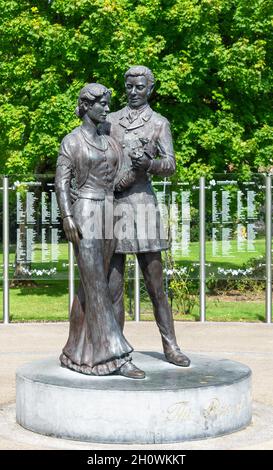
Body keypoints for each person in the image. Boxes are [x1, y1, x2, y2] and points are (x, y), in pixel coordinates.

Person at [103, 66, 191, 369]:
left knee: (156, 285)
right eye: (129, 86)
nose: (133, 91)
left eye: (140, 87)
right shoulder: (110, 121)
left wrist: (150, 163)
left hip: (143, 206)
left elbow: (170, 164)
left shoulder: (158, 123)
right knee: (113, 287)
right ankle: (117, 351)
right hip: (115, 207)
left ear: (150, 89)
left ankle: (171, 346)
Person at [55, 83, 145, 378]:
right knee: (95, 285)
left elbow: (119, 182)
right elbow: (61, 182)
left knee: (98, 286)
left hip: (111, 213)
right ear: (86, 106)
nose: (108, 109)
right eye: (102, 105)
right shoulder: (72, 142)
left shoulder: (110, 142)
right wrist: (67, 216)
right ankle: (117, 356)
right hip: (85, 213)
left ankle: (76, 353)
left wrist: (141, 167)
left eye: (107, 104)